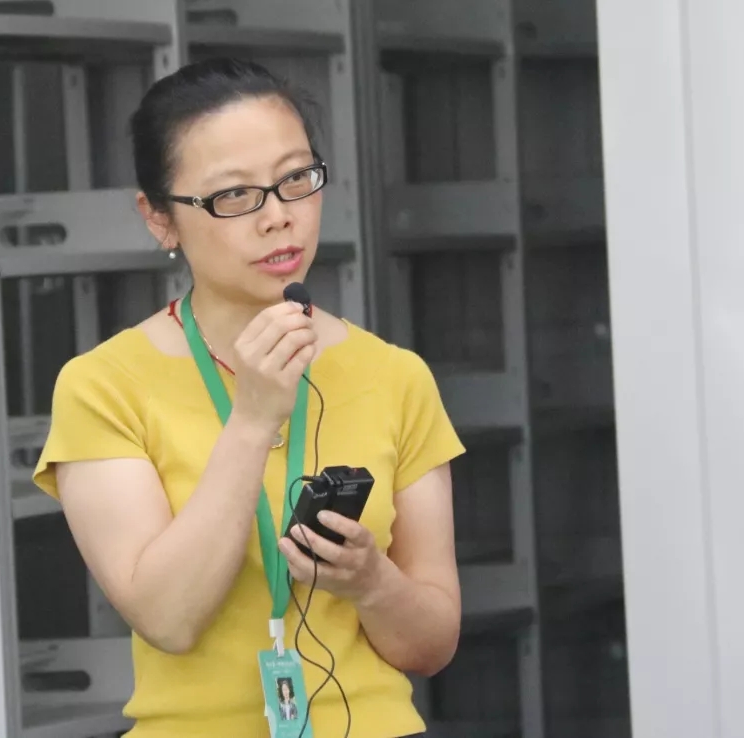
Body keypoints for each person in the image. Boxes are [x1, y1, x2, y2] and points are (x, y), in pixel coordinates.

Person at [33, 57, 464, 738]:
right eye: (234, 196)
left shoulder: (395, 375)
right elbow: (167, 617)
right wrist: (255, 417)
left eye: (296, 179)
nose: (278, 218)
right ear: (159, 218)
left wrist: (371, 581)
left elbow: (433, 645)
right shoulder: (103, 385)